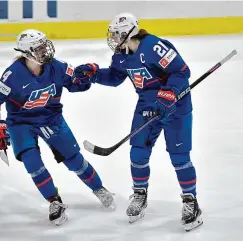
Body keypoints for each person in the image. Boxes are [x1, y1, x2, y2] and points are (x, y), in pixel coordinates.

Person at [74, 13, 202, 231]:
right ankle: (140, 194)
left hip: (175, 107)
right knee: (138, 152)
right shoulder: (121, 56)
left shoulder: (155, 46)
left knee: (179, 156)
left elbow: (181, 71)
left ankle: (191, 201)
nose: (112, 39)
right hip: (146, 107)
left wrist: (170, 93)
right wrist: (94, 74)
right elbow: (115, 78)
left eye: (116, 35)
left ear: (127, 33)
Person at [0, 29, 115, 226]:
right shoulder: (13, 75)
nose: (46, 50)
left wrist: (87, 74)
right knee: (32, 161)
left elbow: (76, 84)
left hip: (51, 119)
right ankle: (54, 201)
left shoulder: (58, 67)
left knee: (74, 160)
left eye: (45, 44)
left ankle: (99, 188)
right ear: (27, 53)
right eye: (39, 47)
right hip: (21, 123)